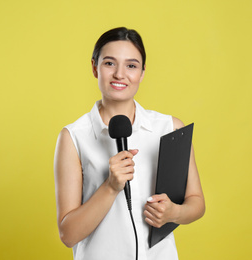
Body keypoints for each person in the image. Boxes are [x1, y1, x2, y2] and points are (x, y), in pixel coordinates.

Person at [54, 27, 205, 260]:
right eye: (109, 63)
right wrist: (111, 186)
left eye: (131, 66)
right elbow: (68, 234)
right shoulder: (73, 137)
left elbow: (196, 203)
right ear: (95, 67)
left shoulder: (170, 128)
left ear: (142, 72)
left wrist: (174, 212)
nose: (120, 74)